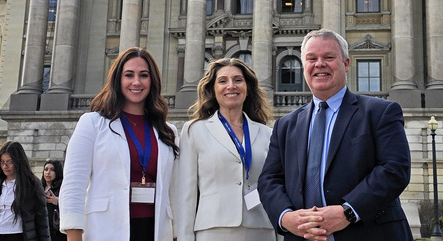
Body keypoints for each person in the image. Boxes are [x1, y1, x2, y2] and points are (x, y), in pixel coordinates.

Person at [258, 29, 413, 241]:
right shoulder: (285, 125)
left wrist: (348, 212)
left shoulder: (380, 113)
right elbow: (269, 180)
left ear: (346, 64)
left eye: (329, 57)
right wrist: (286, 217)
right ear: (304, 66)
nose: (319, 64)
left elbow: (394, 170)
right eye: (311, 59)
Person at [59, 47, 179, 241]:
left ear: (153, 81)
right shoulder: (92, 123)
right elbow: (74, 185)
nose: (136, 82)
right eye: (129, 75)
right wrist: (74, 236)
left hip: (156, 230)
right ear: (118, 80)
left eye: (144, 75)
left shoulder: (168, 131)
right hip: (106, 229)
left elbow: (174, 192)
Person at [176, 57, 278, 241]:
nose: (231, 86)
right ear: (213, 89)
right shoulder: (194, 131)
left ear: (248, 87)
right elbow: (185, 194)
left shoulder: (267, 134)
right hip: (213, 230)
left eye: (238, 80)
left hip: (262, 229)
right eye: (223, 81)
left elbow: (275, 187)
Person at [41, 160, 66, 241]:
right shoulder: (38, 188)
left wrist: (57, 201)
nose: (48, 172)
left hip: (57, 230)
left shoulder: (63, 188)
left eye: (52, 170)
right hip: (42, 229)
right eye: (46, 169)